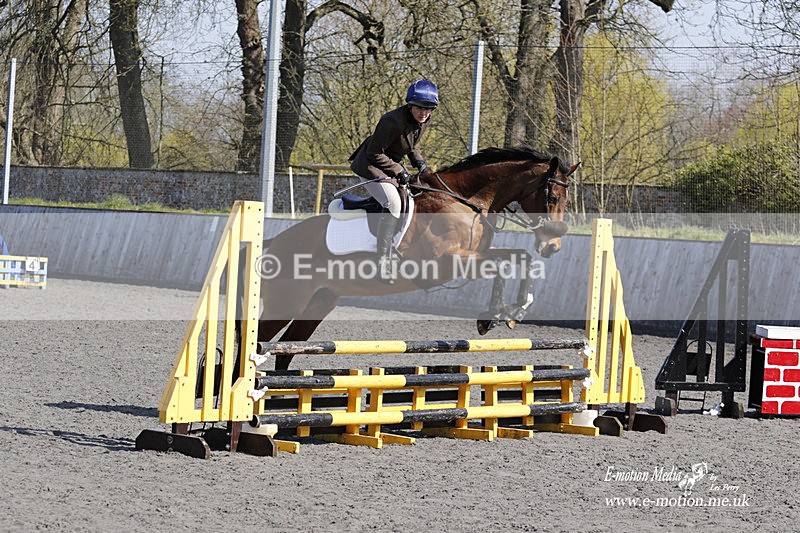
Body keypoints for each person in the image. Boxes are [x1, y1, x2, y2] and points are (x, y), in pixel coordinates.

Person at [349, 79, 439, 282]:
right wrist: (399, 170)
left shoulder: (423, 119)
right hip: (370, 166)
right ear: (410, 105)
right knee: (394, 203)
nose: (424, 113)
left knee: (416, 196)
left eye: (429, 109)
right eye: (420, 108)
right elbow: (374, 153)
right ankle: (381, 260)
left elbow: (411, 145)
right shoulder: (391, 121)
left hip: (389, 164)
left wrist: (421, 164)